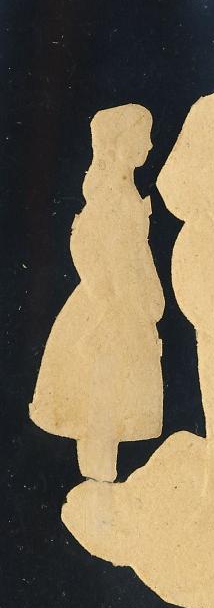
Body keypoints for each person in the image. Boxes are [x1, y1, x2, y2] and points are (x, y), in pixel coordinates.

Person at [30, 104, 164, 482]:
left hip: (128, 300)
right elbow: (86, 244)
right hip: (109, 305)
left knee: (112, 396)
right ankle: (97, 480)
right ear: (118, 142)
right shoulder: (109, 195)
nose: (149, 145)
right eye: (142, 136)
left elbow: (137, 251)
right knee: (99, 397)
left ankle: (102, 478)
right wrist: (109, 293)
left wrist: (149, 293)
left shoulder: (126, 192)